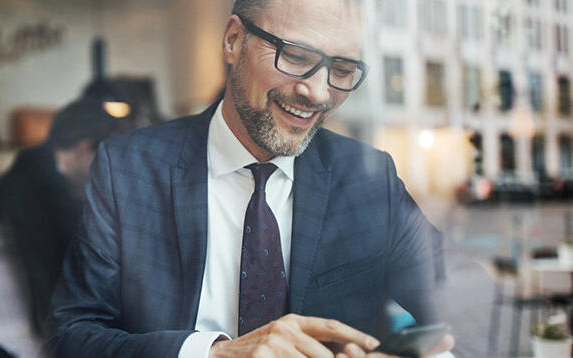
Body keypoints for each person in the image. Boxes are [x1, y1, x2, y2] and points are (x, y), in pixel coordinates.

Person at [47, 0, 455, 357]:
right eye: (295, 56)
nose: (317, 92)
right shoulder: (127, 169)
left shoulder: (369, 179)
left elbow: (450, 305)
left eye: (343, 69)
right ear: (232, 40)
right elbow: (70, 336)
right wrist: (216, 355)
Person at [0, 97, 118, 337]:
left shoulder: (27, 173)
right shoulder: (45, 195)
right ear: (83, 149)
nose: (107, 174)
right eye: (105, 161)